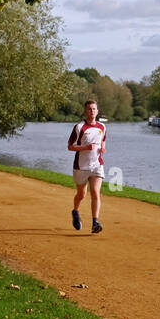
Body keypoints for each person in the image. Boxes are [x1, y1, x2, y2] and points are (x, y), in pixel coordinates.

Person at [67, 99, 106, 234]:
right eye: (89, 109)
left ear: (97, 111)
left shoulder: (102, 127)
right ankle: (75, 211)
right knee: (81, 194)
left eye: (94, 109)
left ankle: (95, 222)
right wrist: (85, 147)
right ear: (85, 111)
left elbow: (103, 139)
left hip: (97, 165)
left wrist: (103, 148)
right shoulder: (79, 127)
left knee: (95, 192)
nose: (92, 111)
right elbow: (70, 146)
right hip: (81, 166)